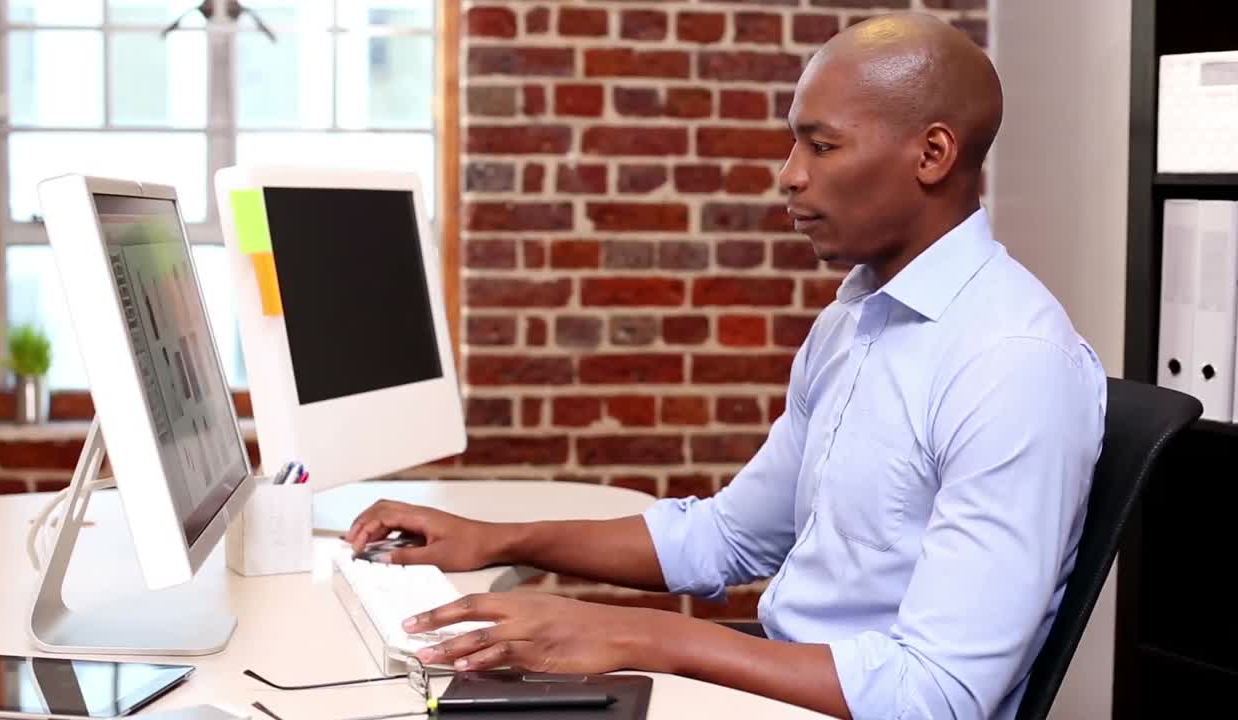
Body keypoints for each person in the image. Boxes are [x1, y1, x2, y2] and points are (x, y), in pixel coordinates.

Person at [345, 11, 1106, 720]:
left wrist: (649, 638)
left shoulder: (1013, 365)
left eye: (822, 145)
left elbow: (938, 693)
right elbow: (722, 540)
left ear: (932, 155)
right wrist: (498, 539)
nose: (789, 175)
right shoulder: (853, 324)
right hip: (775, 687)